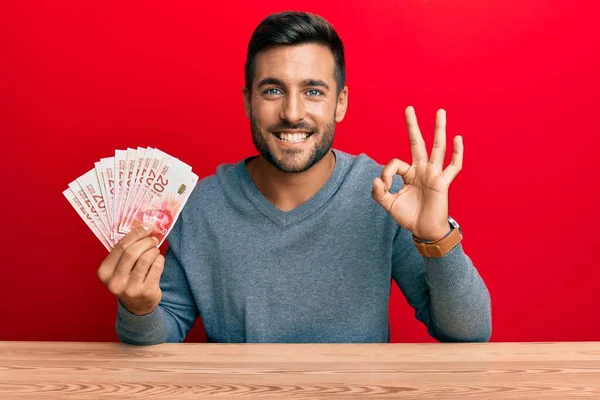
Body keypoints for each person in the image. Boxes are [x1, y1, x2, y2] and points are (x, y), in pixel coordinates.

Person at [97, 11, 492, 344]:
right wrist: (139, 308)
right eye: (272, 91)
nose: (291, 112)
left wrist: (437, 235)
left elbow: (469, 333)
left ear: (341, 103)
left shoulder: (385, 196)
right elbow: (161, 334)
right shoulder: (201, 205)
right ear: (248, 102)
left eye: (314, 92)